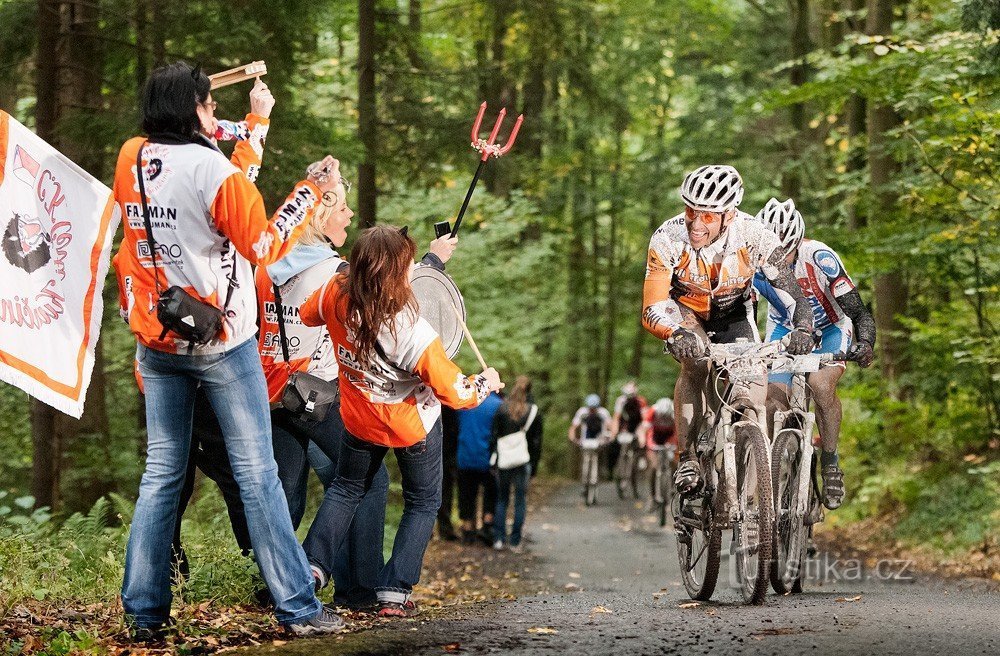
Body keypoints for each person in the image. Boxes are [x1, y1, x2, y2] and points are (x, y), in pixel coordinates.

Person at [113, 62, 342, 637]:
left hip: (158, 334)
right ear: (194, 109)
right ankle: (297, 606)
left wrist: (257, 122)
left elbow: (219, 166)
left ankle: (144, 613)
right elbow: (261, 241)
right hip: (221, 341)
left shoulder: (132, 155)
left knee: (163, 472)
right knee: (258, 472)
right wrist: (310, 189)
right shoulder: (213, 169)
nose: (218, 114)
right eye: (210, 106)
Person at [297, 225, 504, 618]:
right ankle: (394, 591)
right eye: (408, 266)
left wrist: (434, 260)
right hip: (411, 425)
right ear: (395, 274)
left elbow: (309, 315)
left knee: (345, 489)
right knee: (423, 501)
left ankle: (310, 569)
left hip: (358, 418)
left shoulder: (335, 292)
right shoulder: (412, 331)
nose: (412, 271)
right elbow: (457, 393)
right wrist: (486, 383)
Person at [641, 165, 814, 497]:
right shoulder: (667, 237)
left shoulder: (755, 234)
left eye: (707, 216)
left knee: (751, 388)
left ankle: (747, 485)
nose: (695, 222)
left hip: (735, 311)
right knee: (696, 364)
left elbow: (793, 293)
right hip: (685, 311)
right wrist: (675, 333)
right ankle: (688, 457)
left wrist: (804, 327)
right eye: (691, 210)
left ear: (729, 214)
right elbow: (652, 307)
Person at [753, 197, 876, 509]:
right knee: (772, 399)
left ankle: (831, 462)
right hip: (784, 328)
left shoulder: (820, 257)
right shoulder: (754, 262)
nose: (778, 260)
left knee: (820, 386)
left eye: (785, 251)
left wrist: (865, 344)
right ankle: (770, 469)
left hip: (833, 327)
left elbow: (859, 313)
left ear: (798, 242)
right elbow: (746, 312)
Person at [490, 376, 543, 551]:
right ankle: (515, 541)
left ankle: (498, 538)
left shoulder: (502, 408)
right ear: (529, 390)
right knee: (520, 500)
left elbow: (494, 436)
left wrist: (493, 459)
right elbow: (536, 442)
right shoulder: (533, 411)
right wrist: (534, 466)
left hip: (504, 460)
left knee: (502, 499)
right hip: (523, 460)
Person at [456, 392, 504, 544]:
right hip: (488, 457)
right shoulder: (499, 405)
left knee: (466, 494)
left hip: (465, 455)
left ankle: (468, 528)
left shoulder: (465, 401)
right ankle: (487, 525)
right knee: (490, 492)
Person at [569, 394, 612, 492]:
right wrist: (573, 438)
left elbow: (610, 425)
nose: (592, 410)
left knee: (602, 455)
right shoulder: (582, 413)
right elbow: (573, 427)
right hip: (586, 440)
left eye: (594, 408)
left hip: (599, 439)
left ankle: (602, 473)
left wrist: (610, 438)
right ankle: (585, 482)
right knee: (586, 459)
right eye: (590, 408)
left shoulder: (603, 413)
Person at [609, 381, 648, 479]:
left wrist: (642, 431)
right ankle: (616, 465)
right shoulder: (620, 401)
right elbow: (616, 417)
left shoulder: (641, 401)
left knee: (642, 439)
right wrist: (614, 433)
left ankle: (642, 457)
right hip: (625, 425)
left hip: (637, 424)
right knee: (613, 443)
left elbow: (644, 419)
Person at [437, 406, 461, 541]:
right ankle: (444, 528)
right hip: (447, 453)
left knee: (442, 490)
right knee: (445, 491)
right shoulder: (452, 406)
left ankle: (442, 528)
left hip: (444, 452)